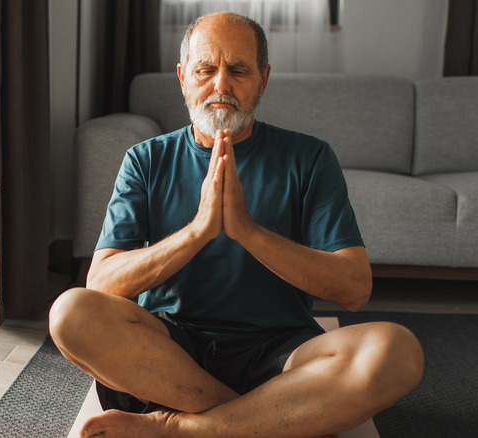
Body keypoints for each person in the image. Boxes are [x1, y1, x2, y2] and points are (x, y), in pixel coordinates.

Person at [50, 11, 424, 438]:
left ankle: (184, 429)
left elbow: (356, 290)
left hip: (280, 353)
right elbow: (100, 284)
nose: (222, 86)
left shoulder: (310, 158)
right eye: (206, 69)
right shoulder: (145, 160)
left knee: (396, 352)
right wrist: (199, 231)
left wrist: (247, 230)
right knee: (70, 313)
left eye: (239, 70)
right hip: (169, 359)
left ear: (263, 81)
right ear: (183, 78)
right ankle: (268, 419)